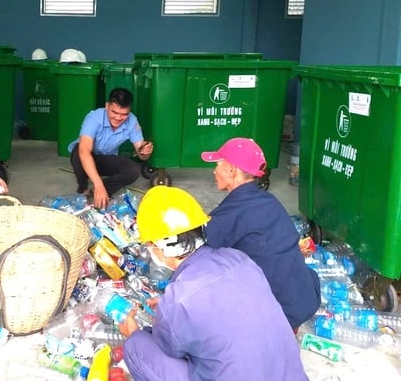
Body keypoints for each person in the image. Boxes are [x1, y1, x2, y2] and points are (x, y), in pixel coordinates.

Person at [118, 186, 308, 381]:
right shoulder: (239, 259)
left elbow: (170, 347)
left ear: (159, 246)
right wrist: (175, 309)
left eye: (149, 244)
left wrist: (133, 331)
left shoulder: (179, 300)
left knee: (137, 345)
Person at [200, 137, 321, 330]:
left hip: (277, 314)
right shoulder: (269, 200)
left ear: (232, 170)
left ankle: (278, 330)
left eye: (218, 164)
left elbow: (197, 247)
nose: (214, 170)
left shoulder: (233, 211)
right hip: (305, 298)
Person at [68, 88, 153, 209]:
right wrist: (98, 184)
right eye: (114, 112)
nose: (118, 118)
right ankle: (83, 189)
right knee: (78, 151)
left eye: (124, 114)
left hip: (105, 159)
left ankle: (97, 192)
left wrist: (145, 151)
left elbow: (142, 155)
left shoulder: (132, 121)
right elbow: (84, 151)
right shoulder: (93, 118)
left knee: (134, 170)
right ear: (107, 106)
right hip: (85, 157)